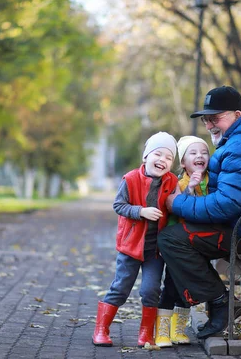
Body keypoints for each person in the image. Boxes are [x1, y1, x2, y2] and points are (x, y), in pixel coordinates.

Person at [158, 86, 241, 340]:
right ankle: (216, 301)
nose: (209, 125)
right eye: (206, 119)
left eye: (215, 118)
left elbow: (226, 204)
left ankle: (221, 303)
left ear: (237, 114)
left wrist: (176, 204)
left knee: (170, 239)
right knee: (177, 236)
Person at [93, 132, 179, 347]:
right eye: (157, 154)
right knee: (121, 287)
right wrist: (141, 211)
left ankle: (145, 335)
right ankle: (101, 330)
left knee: (151, 290)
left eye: (168, 158)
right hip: (130, 247)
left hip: (155, 250)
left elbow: (177, 206)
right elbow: (118, 205)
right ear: (145, 157)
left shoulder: (172, 181)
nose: (162, 160)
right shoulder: (130, 179)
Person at [155, 136, 210, 347]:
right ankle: (162, 331)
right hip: (179, 243)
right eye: (193, 153)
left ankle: (178, 329)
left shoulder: (213, 181)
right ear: (184, 163)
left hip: (201, 244)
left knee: (187, 287)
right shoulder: (179, 183)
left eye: (204, 152)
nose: (199, 156)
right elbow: (177, 206)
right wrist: (190, 188)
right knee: (171, 284)